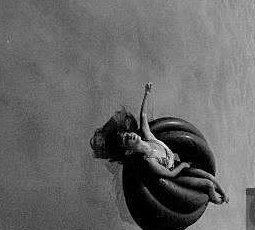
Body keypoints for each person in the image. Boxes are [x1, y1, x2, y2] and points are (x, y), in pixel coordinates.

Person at [91, 83, 228, 204]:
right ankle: (216, 200)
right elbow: (171, 175)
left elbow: (143, 117)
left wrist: (146, 93)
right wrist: (184, 165)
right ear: (129, 151)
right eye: (128, 140)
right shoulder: (149, 162)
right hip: (178, 178)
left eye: (127, 134)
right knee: (208, 185)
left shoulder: (149, 137)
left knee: (209, 176)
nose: (130, 135)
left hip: (178, 165)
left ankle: (224, 195)